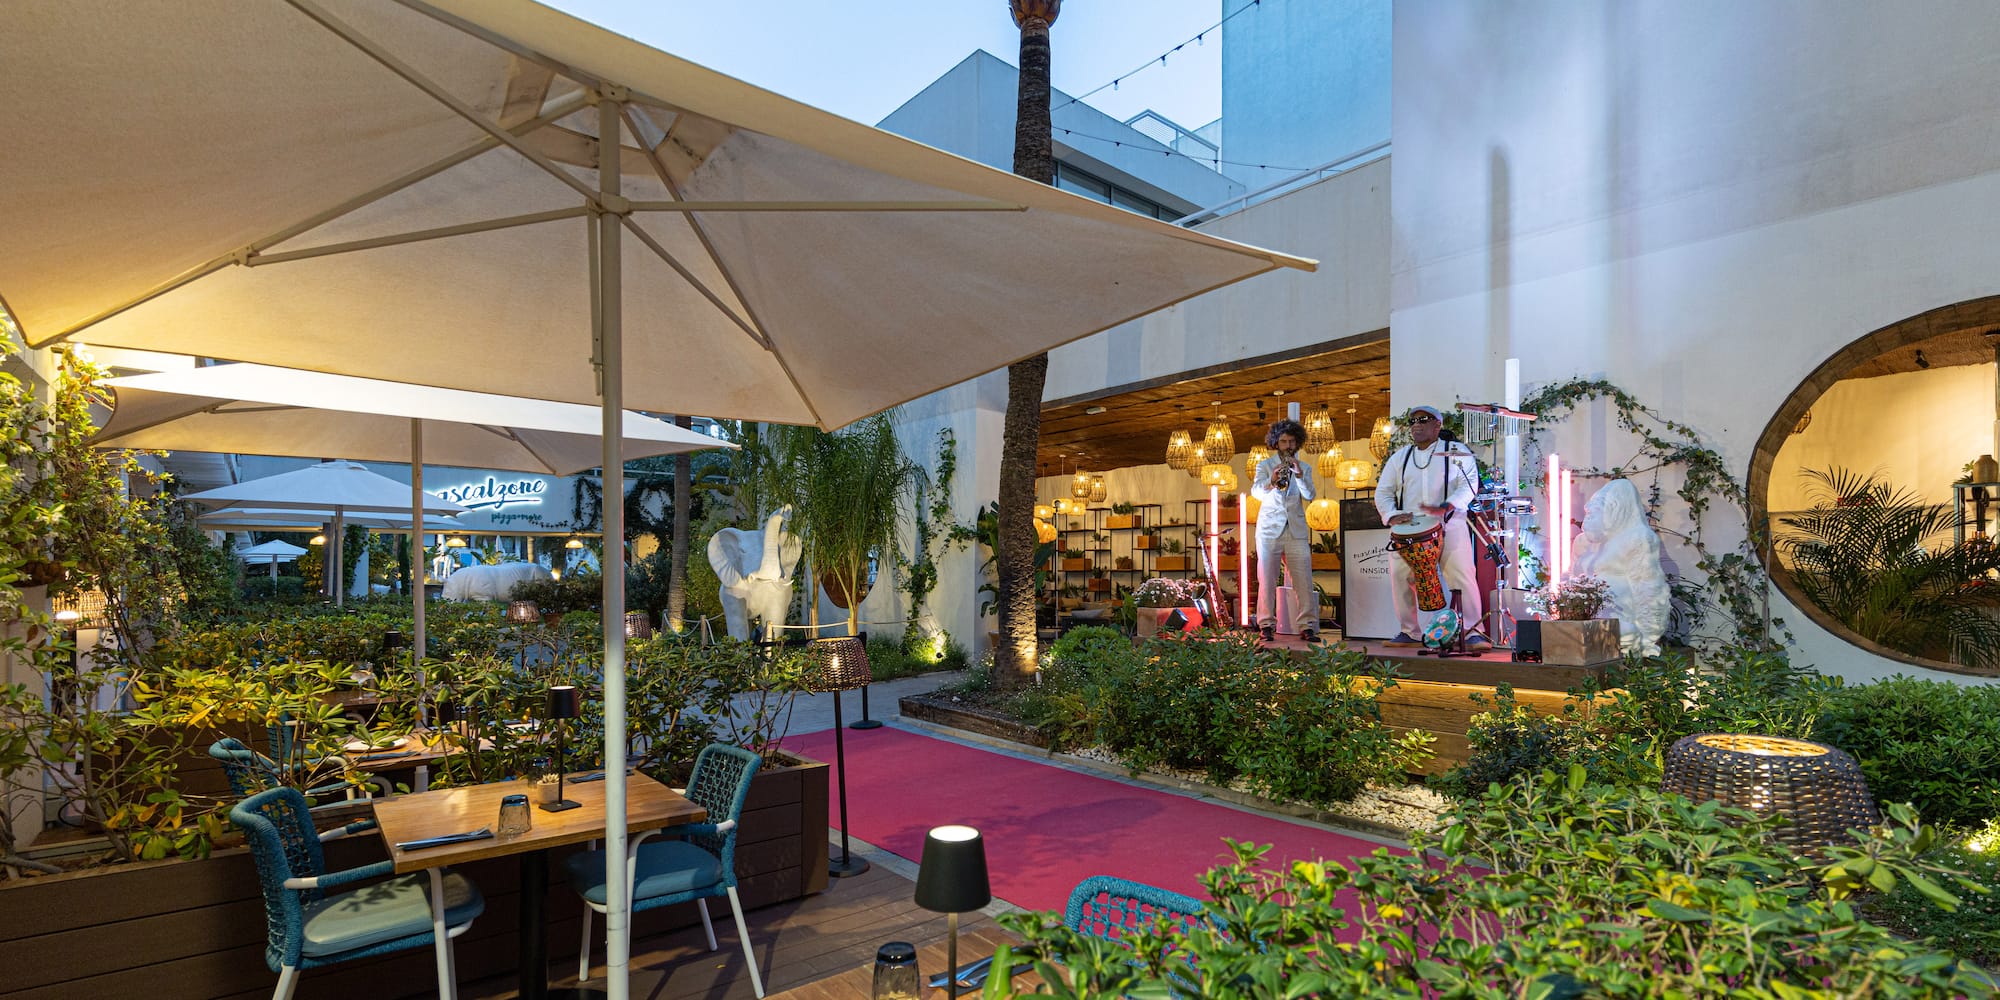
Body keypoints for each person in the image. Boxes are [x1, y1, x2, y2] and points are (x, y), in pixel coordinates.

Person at [1374, 405, 1489, 649]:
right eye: (1412, 420)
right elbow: (1383, 492)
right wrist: (1392, 514)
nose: (1416, 424)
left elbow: (1469, 485)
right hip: (1409, 528)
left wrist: (1449, 506)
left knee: (1461, 575)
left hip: (1450, 522)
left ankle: (1473, 631)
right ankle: (1409, 631)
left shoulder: (1457, 452)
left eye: (1423, 419)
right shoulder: (1400, 457)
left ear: (1438, 425)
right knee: (1400, 576)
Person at [1251, 418, 1321, 643]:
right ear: (1276, 443)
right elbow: (1256, 493)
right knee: (1267, 579)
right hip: (1269, 530)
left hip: (1296, 530)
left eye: (1291, 441)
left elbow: (1310, 496)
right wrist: (1271, 482)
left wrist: (1299, 475)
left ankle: (1307, 625)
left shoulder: (1305, 467)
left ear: (1297, 443)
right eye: (1283, 441)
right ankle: (1266, 625)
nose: (1288, 445)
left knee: (1303, 580)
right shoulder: (1264, 465)